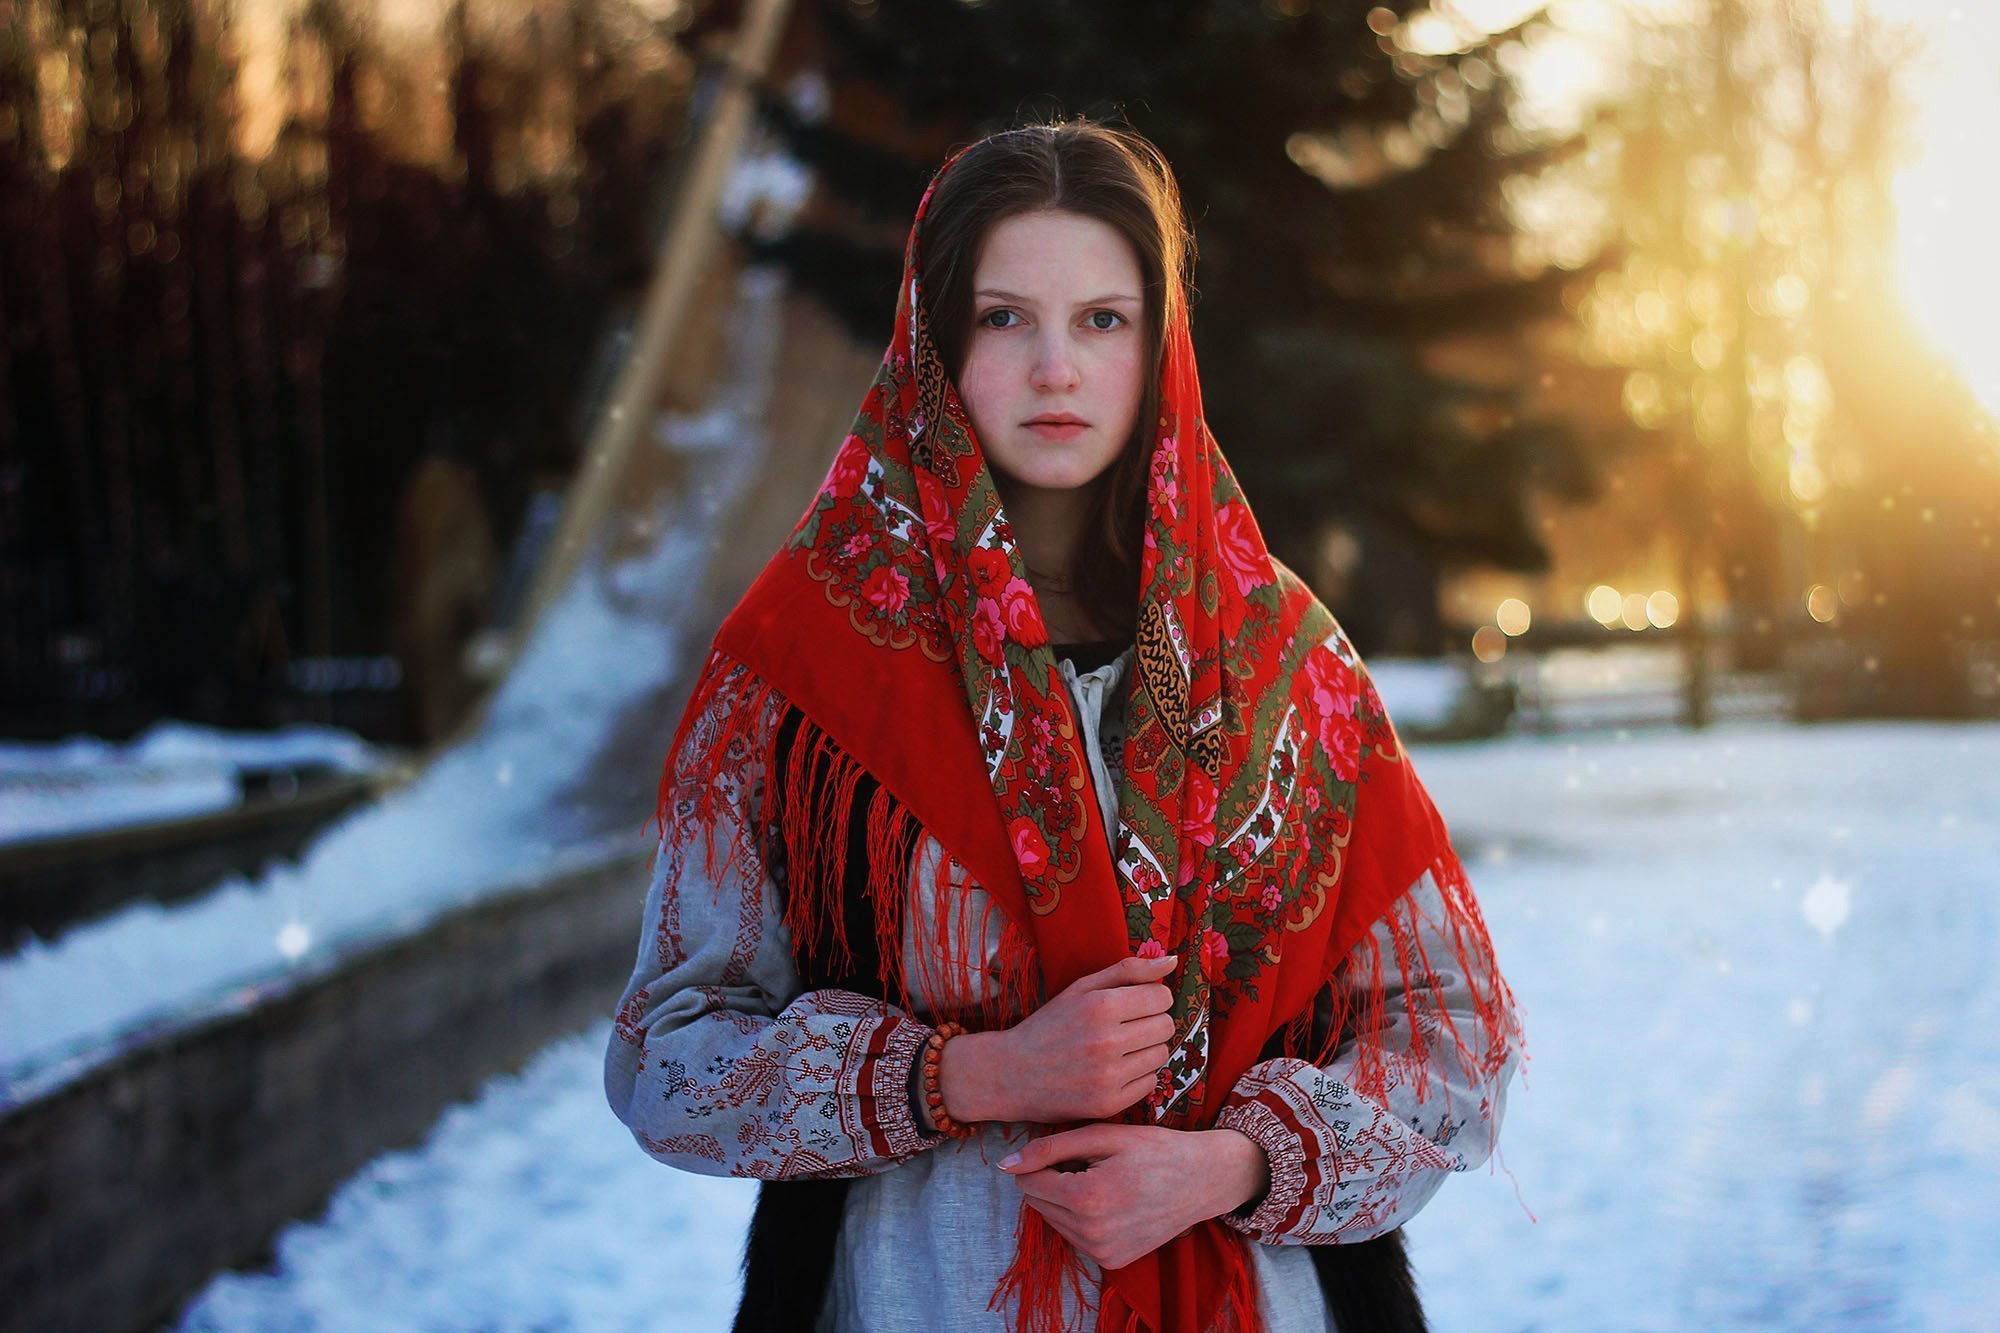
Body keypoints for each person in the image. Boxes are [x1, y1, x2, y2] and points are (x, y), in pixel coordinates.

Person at [604, 119, 1524, 1333]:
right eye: (1002, 318)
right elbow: (666, 1060)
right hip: (919, 1297)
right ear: (932, 338)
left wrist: (1230, 1165)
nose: (1056, 367)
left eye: (1103, 318)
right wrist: (965, 1076)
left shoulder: (1283, 659)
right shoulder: (801, 668)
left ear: (1159, 344)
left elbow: (1449, 1036)